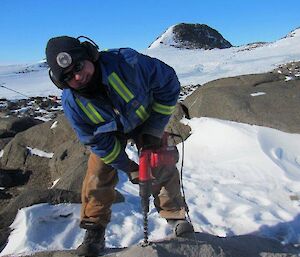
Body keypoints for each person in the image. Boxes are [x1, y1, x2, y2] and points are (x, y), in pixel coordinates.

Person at [45, 36, 194, 256]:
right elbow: (95, 141)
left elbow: (168, 83)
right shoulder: (72, 104)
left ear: (90, 54)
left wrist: (153, 130)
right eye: (68, 77)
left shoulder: (127, 63)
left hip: (145, 119)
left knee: (161, 160)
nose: (78, 76)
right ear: (60, 82)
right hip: (109, 134)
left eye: (78, 66)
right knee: (99, 171)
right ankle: (94, 231)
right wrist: (129, 167)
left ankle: (175, 216)